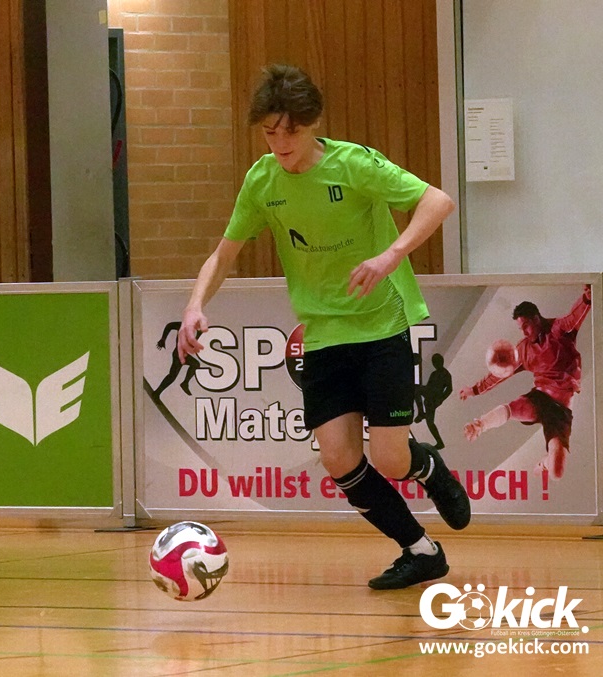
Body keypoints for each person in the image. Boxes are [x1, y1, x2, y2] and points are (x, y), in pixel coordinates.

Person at [176, 64, 470, 590]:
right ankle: (420, 550)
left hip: (381, 326)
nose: (280, 143)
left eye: (290, 131)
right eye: (270, 132)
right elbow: (223, 255)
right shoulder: (262, 181)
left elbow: (437, 201)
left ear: (312, 123)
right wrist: (195, 305)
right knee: (339, 459)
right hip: (323, 335)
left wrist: (390, 254)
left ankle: (428, 470)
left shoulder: (353, 164)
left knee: (390, 458)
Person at [460, 285, 591, 480]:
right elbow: (499, 375)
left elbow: (575, 316)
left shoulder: (558, 329)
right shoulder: (523, 349)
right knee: (515, 407)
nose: (524, 332)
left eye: (526, 326)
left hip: (561, 408)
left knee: (557, 472)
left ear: (536, 318)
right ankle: (479, 425)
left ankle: (544, 463)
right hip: (540, 398)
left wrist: (587, 298)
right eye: (520, 328)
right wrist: (474, 390)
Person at [414, 353, 453, 450]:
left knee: (430, 422)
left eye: (436, 362)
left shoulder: (446, 374)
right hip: (429, 394)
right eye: (434, 362)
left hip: (435, 398)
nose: (435, 364)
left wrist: (441, 399)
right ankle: (421, 412)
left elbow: (449, 389)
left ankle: (440, 442)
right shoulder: (434, 374)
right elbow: (428, 386)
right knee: (415, 389)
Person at [153, 321, 200, 398]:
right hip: (178, 354)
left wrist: (198, 337)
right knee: (172, 376)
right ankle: (157, 393)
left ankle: (185, 383)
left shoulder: (196, 332)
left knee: (195, 364)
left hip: (184, 355)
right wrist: (163, 339)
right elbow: (169, 326)